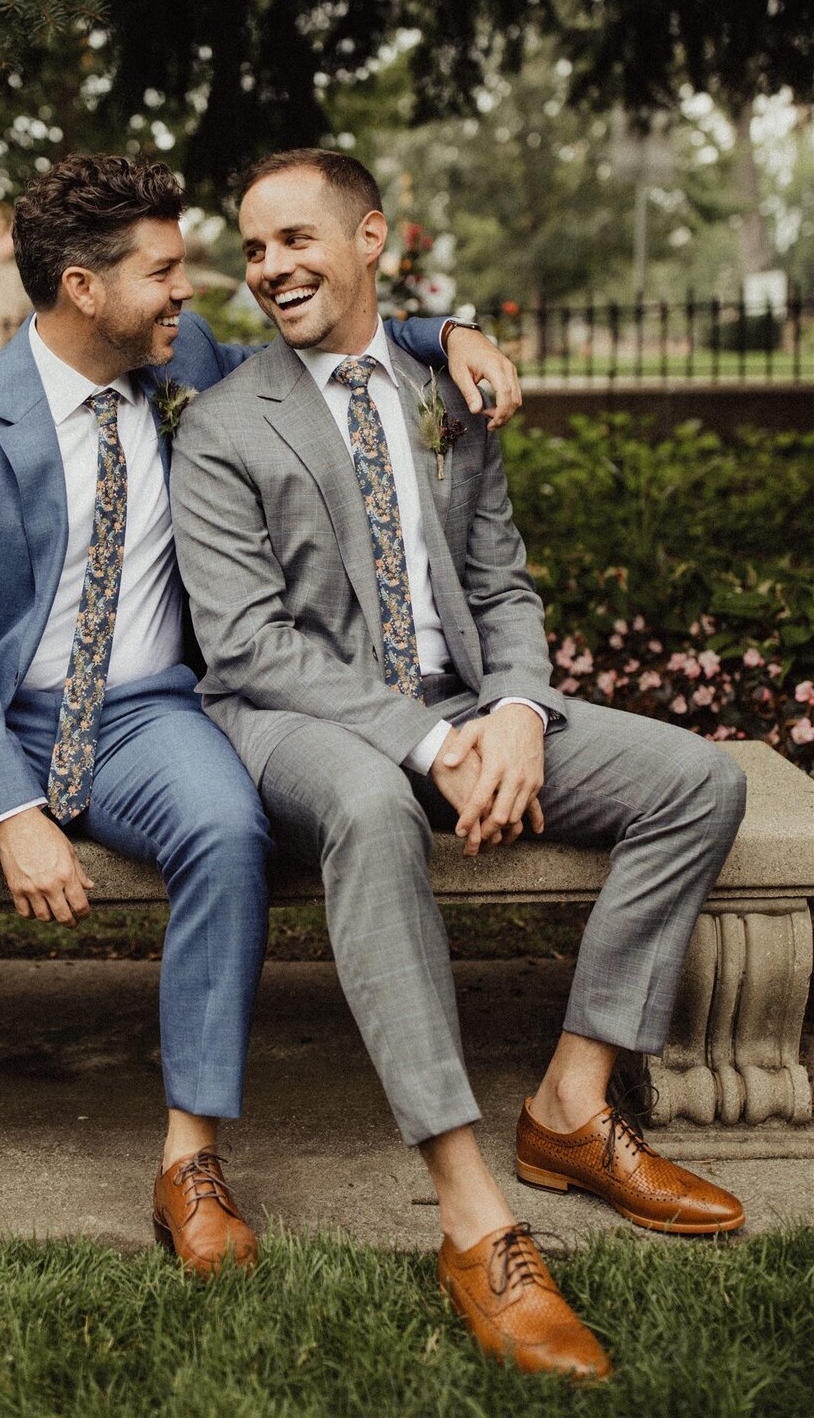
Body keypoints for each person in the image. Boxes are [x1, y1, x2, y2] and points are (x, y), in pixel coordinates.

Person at [0, 152, 523, 1282]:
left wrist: (450, 331)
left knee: (227, 832)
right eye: (165, 272)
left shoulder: (189, 365)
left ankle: (191, 1162)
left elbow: (359, 336)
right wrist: (11, 810)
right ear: (85, 288)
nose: (191, 292)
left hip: (149, 713)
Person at [169, 148, 748, 1377]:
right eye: (254, 247)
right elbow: (249, 644)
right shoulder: (223, 422)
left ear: (371, 237)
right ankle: (473, 1206)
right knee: (378, 810)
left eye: (295, 239)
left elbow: (499, 578)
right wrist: (438, 745)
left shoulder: (444, 391)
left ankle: (572, 1105)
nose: (269, 267)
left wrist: (522, 714)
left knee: (700, 781)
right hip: (292, 718)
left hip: (469, 700)